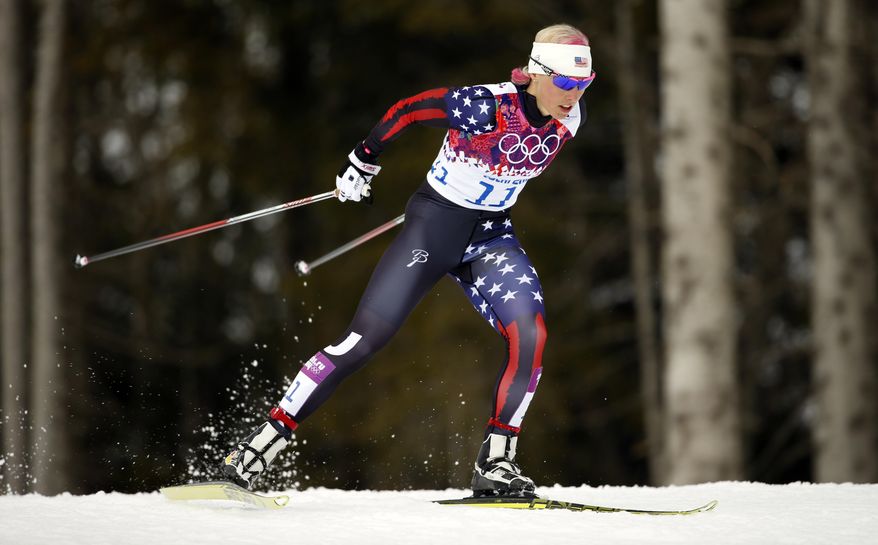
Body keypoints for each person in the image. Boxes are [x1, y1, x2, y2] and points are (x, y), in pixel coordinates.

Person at [221, 23, 595, 498]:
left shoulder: (570, 119)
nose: (574, 94)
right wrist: (363, 160)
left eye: (584, 83)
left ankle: (496, 463)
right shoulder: (485, 105)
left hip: (490, 234)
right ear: (536, 73)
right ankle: (255, 451)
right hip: (434, 227)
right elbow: (408, 110)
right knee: (362, 340)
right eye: (565, 81)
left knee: (532, 333)